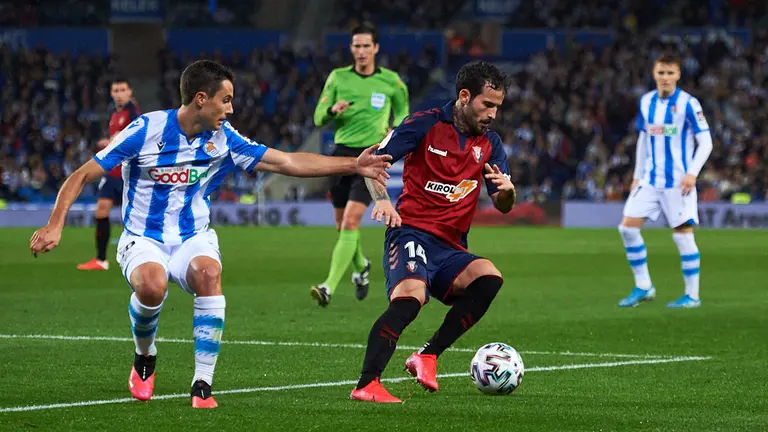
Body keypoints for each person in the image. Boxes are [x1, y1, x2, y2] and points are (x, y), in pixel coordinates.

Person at [29, 60, 392, 409]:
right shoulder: (145, 130)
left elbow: (285, 162)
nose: (230, 109)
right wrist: (55, 223)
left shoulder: (223, 138)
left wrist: (353, 165)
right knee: (152, 286)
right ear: (201, 99)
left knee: (208, 273)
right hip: (144, 236)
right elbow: (81, 175)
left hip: (192, 235)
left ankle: (202, 384)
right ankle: (144, 356)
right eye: (226, 99)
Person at [348, 61, 516, 403]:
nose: (493, 114)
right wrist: (383, 200)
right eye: (488, 105)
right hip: (410, 232)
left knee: (489, 278)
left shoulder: (491, 144)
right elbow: (372, 164)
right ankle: (367, 383)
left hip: (451, 246)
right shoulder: (423, 124)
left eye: (498, 107)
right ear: (465, 97)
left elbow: (503, 203)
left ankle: (427, 355)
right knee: (411, 298)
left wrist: (509, 191)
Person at [311, 21, 409, 306]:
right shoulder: (338, 78)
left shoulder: (392, 82)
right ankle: (361, 267)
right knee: (342, 227)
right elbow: (318, 118)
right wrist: (332, 110)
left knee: (352, 221)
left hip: (371, 159)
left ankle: (328, 286)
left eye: (367, 45)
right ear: (351, 48)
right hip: (341, 157)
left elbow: (404, 113)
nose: (362, 50)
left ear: (376, 48)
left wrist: (393, 132)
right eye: (357, 45)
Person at [617, 53, 713, 309]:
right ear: (654, 74)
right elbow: (643, 139)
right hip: (650, 179)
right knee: (627, 228)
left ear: (678, 75)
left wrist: (692, 173)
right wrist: (637, 175)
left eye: (670, 73)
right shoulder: (646, 101)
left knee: (682, 235)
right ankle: (644, 286)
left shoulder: (689, 104)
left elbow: (706, 141)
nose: (666, 78)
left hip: (678, 182)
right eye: (661, 73)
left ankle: (692, 296)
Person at [78, 78, 141, 271]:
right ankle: (101, 260)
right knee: (102, 209)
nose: (120, 93)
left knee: (135, 217)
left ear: (129, 92)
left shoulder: (134, 113)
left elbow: (137, 138)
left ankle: (143, 256)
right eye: (116, 90)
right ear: (112, 93)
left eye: (123, 89)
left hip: (129, 173)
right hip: (113, 171)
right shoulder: (115, 114)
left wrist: (113, 141)